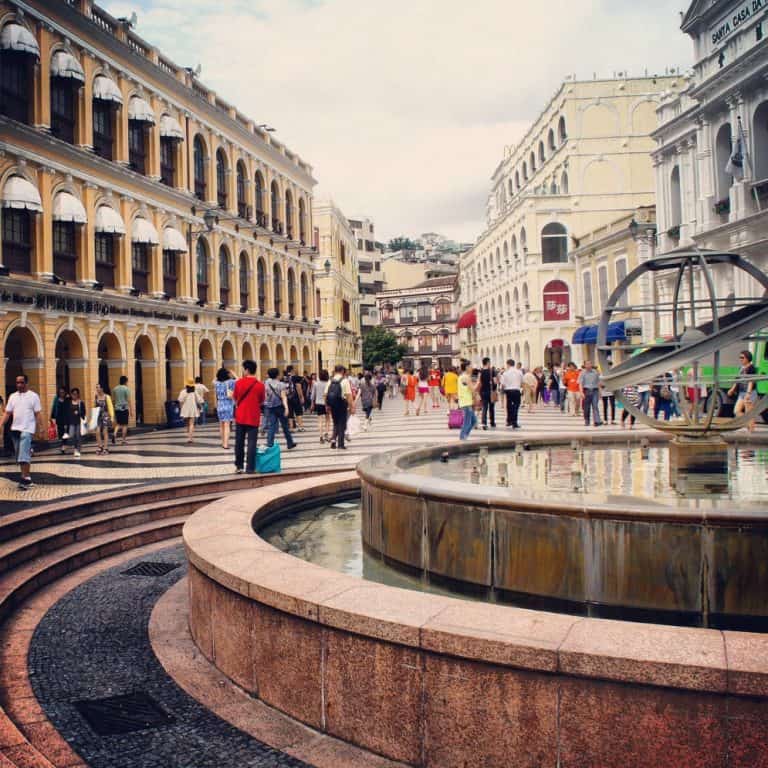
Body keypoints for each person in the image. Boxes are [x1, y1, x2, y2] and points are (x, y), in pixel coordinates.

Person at [1, 374, 43, 490]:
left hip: (27, 429)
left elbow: (38, 413)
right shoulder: (12, 396)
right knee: (20, 455)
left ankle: (25, 479)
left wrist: (41, 428)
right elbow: (7, 413)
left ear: (26, 383)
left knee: (23, 455)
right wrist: (1, 424)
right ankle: (26, 477)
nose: (19, 385)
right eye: (17, 382)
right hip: (15, 429)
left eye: (21, 382)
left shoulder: (33, 396)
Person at [232, 360, 266, 473]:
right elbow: (262, 400)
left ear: (246, 370)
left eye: (243, 369)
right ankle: (250, 468)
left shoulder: (239, 383)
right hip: (253, 416)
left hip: (241, 415)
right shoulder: (260, 385)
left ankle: (239, 466)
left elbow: (235, 398)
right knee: (252, 442)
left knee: (239, 442)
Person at [264, 367, 297, 450]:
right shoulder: (281, 384)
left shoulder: (266, 384)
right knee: (285, 426)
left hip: (270, 407)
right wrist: (286, 408)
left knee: (272, 426)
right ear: (277, 375)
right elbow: (283, 397)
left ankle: (269, 443)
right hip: (280, 407)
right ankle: (290, 443)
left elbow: (265, 396)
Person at [327, 364, 354, 449]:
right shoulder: (345, 381)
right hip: (342, 404)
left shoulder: (330, 380)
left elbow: (325, 394)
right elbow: (349, 395)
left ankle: (333, 441)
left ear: (335, 371)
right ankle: (341, 444)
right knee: (342, 424)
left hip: (332, 404)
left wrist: (327, 405)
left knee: (335, 423)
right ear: (342, 371)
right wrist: (352, 407)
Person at [730, 350, 757, 432]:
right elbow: (737, 380)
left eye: (742, 357)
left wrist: (748, 393)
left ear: (747, 358)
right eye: (740, 357)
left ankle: (751, 431)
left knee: (749, 413)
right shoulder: (741, 368)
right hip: (741, 393)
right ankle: (749, 424)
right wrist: (732, 389)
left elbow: (751, 381)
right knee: (736, 411)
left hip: (750, 393)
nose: (740, 359)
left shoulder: (751, 368)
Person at [214, 367, 236, 449]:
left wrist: (219, 374)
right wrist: (233, 373)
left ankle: (223, 442)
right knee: (227, 425)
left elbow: (214, 380)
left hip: (219, 405)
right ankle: (226, 444)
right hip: (228, 405)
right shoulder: (230, 382)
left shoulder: (217, 383)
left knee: (221, 425)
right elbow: (239, 380)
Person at [458, 361, 479, 440]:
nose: (472, 368)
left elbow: (470, 388)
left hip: (467, 402)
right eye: (470, 366)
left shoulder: (462, 376)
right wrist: (479, 381)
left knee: (473, 421)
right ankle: (462, 437)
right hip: (466, 402)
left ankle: (464, 436)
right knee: (467, 422)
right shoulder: (465, 377)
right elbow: (472, 389)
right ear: (466, 367)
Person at [179, 378, 203, 444]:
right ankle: (190, 438)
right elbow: (199, 400)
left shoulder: (183, 391)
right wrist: (200, 406)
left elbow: (180, 401)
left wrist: (181, 408)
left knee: (187, 424)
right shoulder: (194, 391)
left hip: (185, 408)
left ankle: (188, 437)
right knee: (192, 423)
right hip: (192, 408)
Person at [578, 360, 602, 427]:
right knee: (587, 407)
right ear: (585, 365)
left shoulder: (595, 372)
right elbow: (580, 383)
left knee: (595, 406)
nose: (588, 365)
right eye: (587, 364)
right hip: (586, 391)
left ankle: (597, 421)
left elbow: (598, 383)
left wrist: (600, 392)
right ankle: (587, 420)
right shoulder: (582, 373)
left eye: (590, 364)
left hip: (595, 391)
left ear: (591, 364)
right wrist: (581, 392)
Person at [500, 359, 523, 429]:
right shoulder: (519, 372)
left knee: (509, 406)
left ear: (508, 364)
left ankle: (509, 420)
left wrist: (502, 392)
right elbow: (522, 382)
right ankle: (514, 422)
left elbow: (503, 384)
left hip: (508, 391)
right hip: (516, 390)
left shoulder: (505, 373)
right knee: (516, 406)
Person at [94, 384, 115, 454]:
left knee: (104, 432)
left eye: (98, 387)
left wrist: (112, 417)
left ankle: (106, 448)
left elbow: (110, 407)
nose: (97, 389)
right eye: (96, 387)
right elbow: (95, 406)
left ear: (102, 389)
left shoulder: (107, 397)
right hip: (98, 416)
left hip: (105, 415)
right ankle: (100, 446)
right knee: (97, 431)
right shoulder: (96, 396)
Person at [283, 365, 306, 432]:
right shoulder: (296, 378)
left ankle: (291, 428)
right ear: (292, 370)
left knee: (290, 414)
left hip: (287, 398)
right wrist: (301, 397)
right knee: (299, 413)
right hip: (295, 397)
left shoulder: (284, 378)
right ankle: (301, 427)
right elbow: (298, 387)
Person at [66, 387, 86, 458]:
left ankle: (77, 449)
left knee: (78, 436)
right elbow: (67, 412)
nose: (74, 395)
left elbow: (84, 413)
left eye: (76, 394)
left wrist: (79, 412)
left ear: (78, 395)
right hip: (71, 422)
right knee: (71, 435)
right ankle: (76, 447)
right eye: (73, 394)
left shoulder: (81, 403)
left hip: (78, 422)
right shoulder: (69, 402)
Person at [312, 369, 331, 442]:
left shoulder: (316, 384)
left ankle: (320, 436)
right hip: (327, 403)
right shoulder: (329, 383)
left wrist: (312, 403)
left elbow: (313, 395)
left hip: (318, 403)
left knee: (320, 420)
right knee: (328, 419)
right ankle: (326, 434)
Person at [112, 375, 131, 445]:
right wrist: (131, 410)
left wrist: (114, 408)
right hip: (124, 408)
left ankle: (114, 434)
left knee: (119, 423)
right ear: (125, 381)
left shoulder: (115, 389)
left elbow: (113, 400)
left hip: (117, 409)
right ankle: (123, 440)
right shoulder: (126, 389)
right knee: (125, 425)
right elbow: (128, 400)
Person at [479, 357, 497, 429]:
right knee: (492, 408)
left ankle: (484, 423)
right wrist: (494, 387)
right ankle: (492, 422)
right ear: (488, 362)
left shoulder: (481, 372)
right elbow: (495, 382)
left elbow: (479, 382)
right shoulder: (492, 371)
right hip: (490, 392)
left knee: (484, 408)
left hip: (483, 392)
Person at [50, 387, 70, 452]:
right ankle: (62, 444)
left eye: (63, 392)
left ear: (65, 392)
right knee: (60, 432)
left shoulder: (67, 399)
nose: (61, 394)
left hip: (67, 417)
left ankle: (64, 444)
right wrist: (52, 416)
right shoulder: (56, 398)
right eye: (60, 392)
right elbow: (54, 406)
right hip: (59, 417)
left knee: (66, 431)